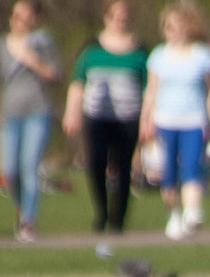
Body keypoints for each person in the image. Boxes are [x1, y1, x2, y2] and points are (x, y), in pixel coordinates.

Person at [64, 0, 148, 234]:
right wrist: (72, 112)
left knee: (123, 166)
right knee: (97, 163)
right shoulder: (92, 49)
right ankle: (101, 211)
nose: (120, 20)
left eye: (124, 16)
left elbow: (149, 88)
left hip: (129, 116)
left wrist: (148, 119)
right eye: (116, 16)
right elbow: (78, 82)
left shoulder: (140, 50)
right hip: (97, 116)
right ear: (106, 17)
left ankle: (118, 218)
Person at [0, 0, 59, 242]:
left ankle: (28, 221)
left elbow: (55, 74)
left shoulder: (43, 41)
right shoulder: (2, 45)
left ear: (34, 19)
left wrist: (33, 60)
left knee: (30, 165)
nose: (21, 22)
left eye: (27, 17)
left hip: (37, 111)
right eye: (17, 16)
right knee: (9, 171)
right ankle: (20, 207)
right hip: (10, 113)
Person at [140, 2, 210, 240]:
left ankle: (192, 211)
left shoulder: (203, 55)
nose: (172, 31)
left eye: (177, 25)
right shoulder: (159, 56)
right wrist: (146, 119)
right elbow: (151, 91)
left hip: (193, 119)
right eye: (168, 27)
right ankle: (173, 214)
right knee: (168, 172)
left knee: (192, 166)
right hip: (165, 119)